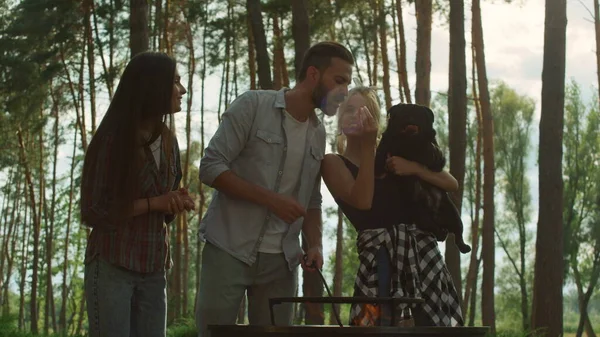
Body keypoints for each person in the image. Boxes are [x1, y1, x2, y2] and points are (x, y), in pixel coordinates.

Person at [195, 41, 354, 336]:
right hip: (228, 249)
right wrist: (271, 201)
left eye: (348, 83)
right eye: (340, 80)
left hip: (282, 263)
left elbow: (312, 200)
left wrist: (315, 243)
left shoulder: (318, 135)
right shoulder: (253, 105)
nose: (344, 91)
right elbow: (211, 167)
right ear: (313, 74)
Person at [321, 89, 464, 327]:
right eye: (348, 110)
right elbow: (363, 201)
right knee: (376, 327)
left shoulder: (394, 153)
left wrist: (414, 168)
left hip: (423, 257)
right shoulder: (333, 163)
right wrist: (369, 148)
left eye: (362, 110)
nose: (355, 115)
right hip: (378, 262)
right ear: (339, 119)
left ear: (374, 120)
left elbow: (451, 183)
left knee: (434, 327)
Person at [80, 51, 194, 337]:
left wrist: (173, 203)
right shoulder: (112, 139)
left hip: (154, 269)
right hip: (112, 265)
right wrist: (154, 202)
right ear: (152, 86)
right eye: (175, 82)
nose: (182, 90)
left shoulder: (168, 139)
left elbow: (162, 206)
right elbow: (93, 210)